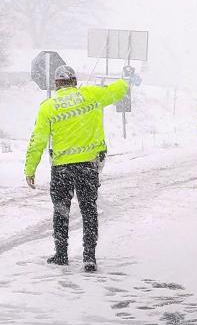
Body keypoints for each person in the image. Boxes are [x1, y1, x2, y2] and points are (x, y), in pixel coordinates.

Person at [24, 65, 130, 272]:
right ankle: (89, 257)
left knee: (61, 211)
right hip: (87, 166)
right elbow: (117, 91)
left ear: (56, 84)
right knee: (89, 211)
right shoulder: (90, 94)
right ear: (74, 80)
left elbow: (38, 140)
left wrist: (30, 168)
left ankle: (61, 254)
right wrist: (125, 80)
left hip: (61, 169)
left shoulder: (48, 106)